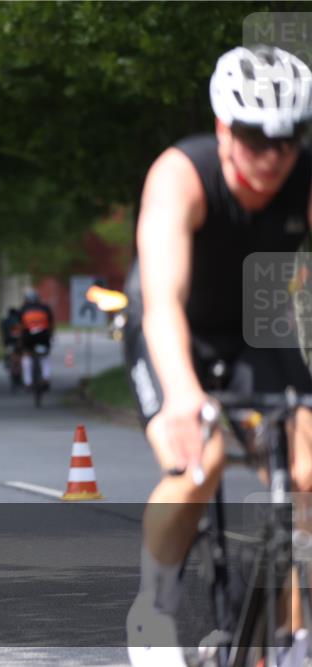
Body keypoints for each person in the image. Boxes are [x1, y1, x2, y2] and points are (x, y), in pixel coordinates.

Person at [123, 45, 312, 667]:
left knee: (307, 470)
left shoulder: (302, 176)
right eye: (256, 139)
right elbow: (164, 302)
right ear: (224, 128)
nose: (271, 158)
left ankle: (295, 636)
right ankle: (153, 607)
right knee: (197, 463)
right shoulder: (181, 174)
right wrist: (182, 396)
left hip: (258, 331)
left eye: (287, 143)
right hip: (174, 326)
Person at [17, 288, 54, 390]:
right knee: (45, 356)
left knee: (26, 357)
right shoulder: (45, 308)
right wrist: (51, 336)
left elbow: (20, 326)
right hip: (43, 336)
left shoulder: (23, 309)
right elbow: (51, 325)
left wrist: (20, 340)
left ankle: (28, 382)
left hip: (28, 337)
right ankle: (46, 379)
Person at [0, 307, 23, 384]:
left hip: (8, 343)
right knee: (19, 358)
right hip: (17, 343)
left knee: (9, 356)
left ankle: (8, 364)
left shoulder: (4, 321)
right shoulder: (19, 321)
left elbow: (3, 333)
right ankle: (17, 372)